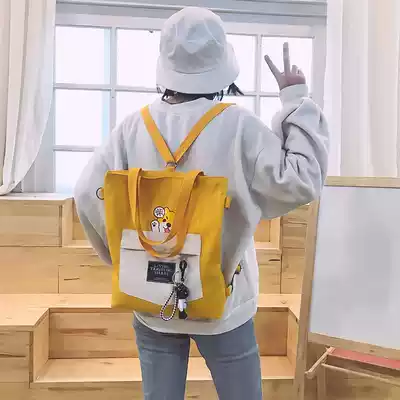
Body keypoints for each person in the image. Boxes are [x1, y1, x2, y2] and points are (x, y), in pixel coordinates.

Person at [74, 6, 329, 400]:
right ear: (222, 65)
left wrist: (127, 258)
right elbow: (301, 180)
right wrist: (295, 99)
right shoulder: (238, 126)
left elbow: (85, 193)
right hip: (223, 301)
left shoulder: (133, 127)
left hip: (152, 296)